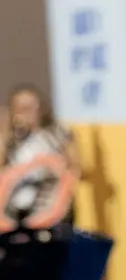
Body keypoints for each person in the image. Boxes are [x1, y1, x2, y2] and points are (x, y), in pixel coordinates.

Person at [3, 83, 79, 232]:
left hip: (50, 208)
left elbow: (75, 166)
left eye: (32, 105)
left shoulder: (56, 133)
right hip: (17, 210)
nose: (28, 112)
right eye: (22, 108)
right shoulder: (12, 139)